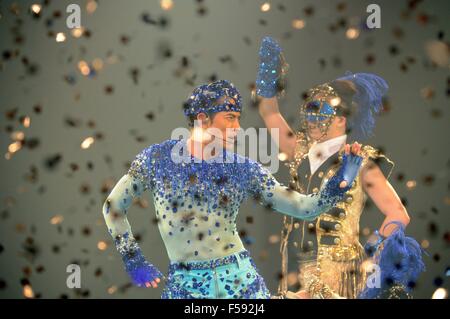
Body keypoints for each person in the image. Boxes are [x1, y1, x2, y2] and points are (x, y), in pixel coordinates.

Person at [102, 79, 363, 299]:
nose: (238, 128)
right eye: (230, 118)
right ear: (203, 119)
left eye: (239, 119)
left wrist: (341, 182)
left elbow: (304, 208)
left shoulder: (242, 168)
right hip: (185, 289)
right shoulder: (158, 159)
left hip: (241, 286)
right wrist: (132, 257)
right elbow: (113, 206)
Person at [255, 36, 422, 299]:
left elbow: (398, 213)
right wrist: (269, 75)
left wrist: (375, 252)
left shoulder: (362, 161)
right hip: (294, 263)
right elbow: (269, 112)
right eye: (308, 112)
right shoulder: (298, 149)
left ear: (341, 120)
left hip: (338, 271)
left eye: (320, 112)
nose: (311, 120)